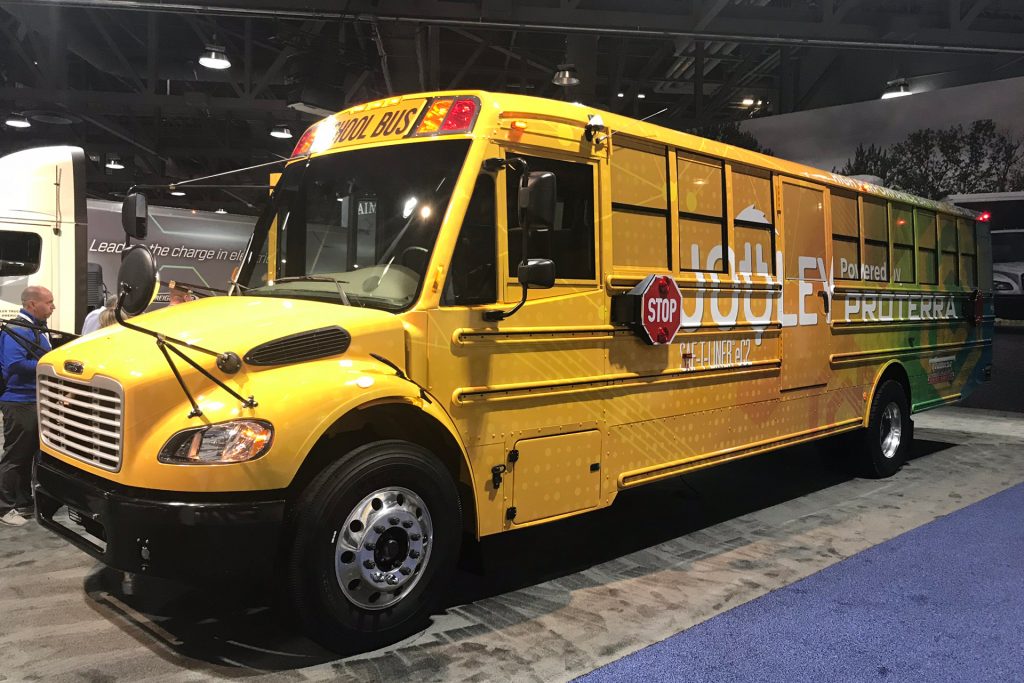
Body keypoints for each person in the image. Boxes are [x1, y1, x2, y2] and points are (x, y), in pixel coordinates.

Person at [0, 286, 54, 527]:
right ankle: (4, 506)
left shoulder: (34, 329)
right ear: (32, 304)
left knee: (27, 455)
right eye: (49, 302)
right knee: (15, 456)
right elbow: (13, 364)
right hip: (20, 402)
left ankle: (22, 501)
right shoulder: (18, 329)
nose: (53, 307)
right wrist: (49, 364)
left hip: (33, 400)